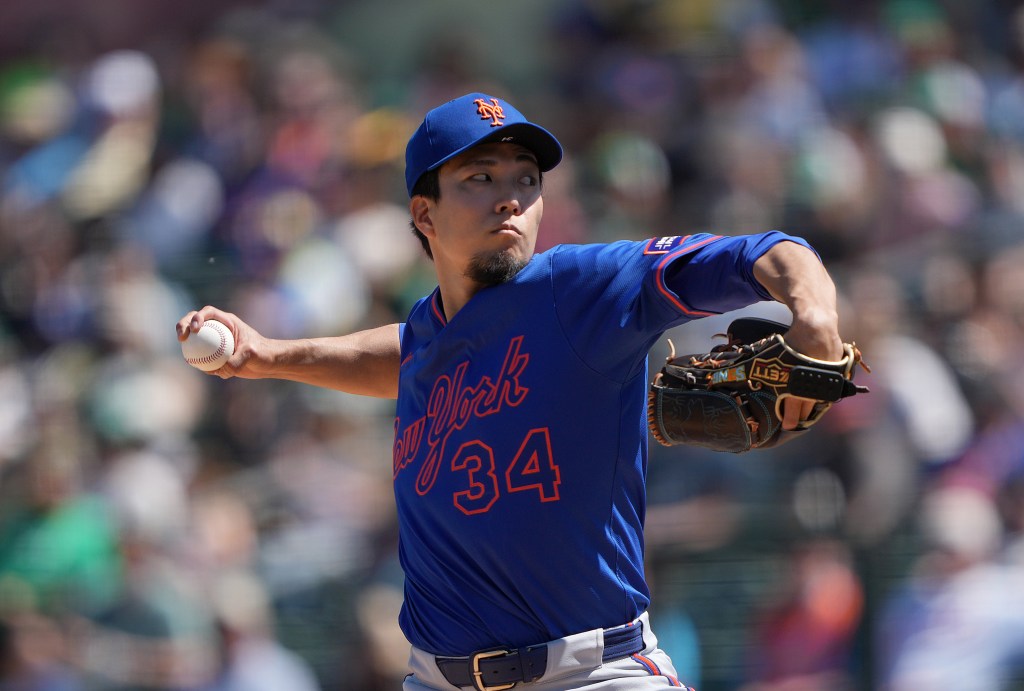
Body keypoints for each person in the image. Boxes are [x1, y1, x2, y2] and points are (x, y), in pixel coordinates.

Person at [177, 92, 845, 691]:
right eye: (480, 178)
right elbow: (393, 356)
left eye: (526, 179)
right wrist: (268, 356)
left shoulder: (580, 289)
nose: (511, 198)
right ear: (423, 212)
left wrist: (813, 314)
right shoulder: (427, 335)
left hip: (593, 674)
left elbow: (765, 250)